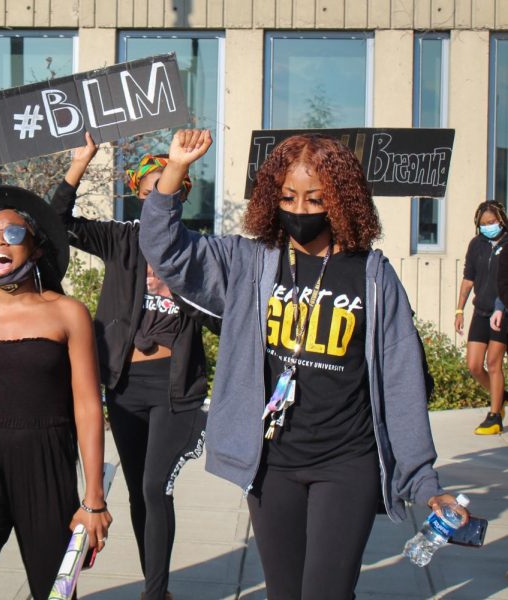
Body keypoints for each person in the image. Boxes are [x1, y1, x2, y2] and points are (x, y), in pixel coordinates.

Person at [138, 130, 469, 599]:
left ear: (341, 201)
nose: (301, 210)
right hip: (272, 463)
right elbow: (166, 249)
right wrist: (174, 170)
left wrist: (422, 481)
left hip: (347, 461)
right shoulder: (249, 263)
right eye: (289, 197)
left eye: (316, 199)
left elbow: (401, 381)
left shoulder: (373, 276)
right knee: (284, 593)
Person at [51, 133, 215, 600]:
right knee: (140, 494)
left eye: (168, 190)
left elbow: (227, 313)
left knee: (154, 485)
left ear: (181, 195)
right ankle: (156, 587)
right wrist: (79, 163)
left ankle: (155, 593)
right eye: (147, 193)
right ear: (138, 197)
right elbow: (56, 224)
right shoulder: (121, 240)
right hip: (125, 384)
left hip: (174, 385)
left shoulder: (198, 251)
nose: (156, 200)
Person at [0, 185, 112, 600]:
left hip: (48, 467)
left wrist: (93, 499)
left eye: (14, 234)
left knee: (55, 594)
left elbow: (88, 406)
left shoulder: (67, 313)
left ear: (34, 249)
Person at [456, 200, 508, 436]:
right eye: (483, 224)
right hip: (481, 311)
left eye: (492, 222)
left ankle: (495, 415)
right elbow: (469, 278)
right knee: (475, 365)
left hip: (503, 312)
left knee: (494, 362)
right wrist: (459, 310)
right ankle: (501, 397)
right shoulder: (476, 244)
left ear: (501, 220)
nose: (488, 226)